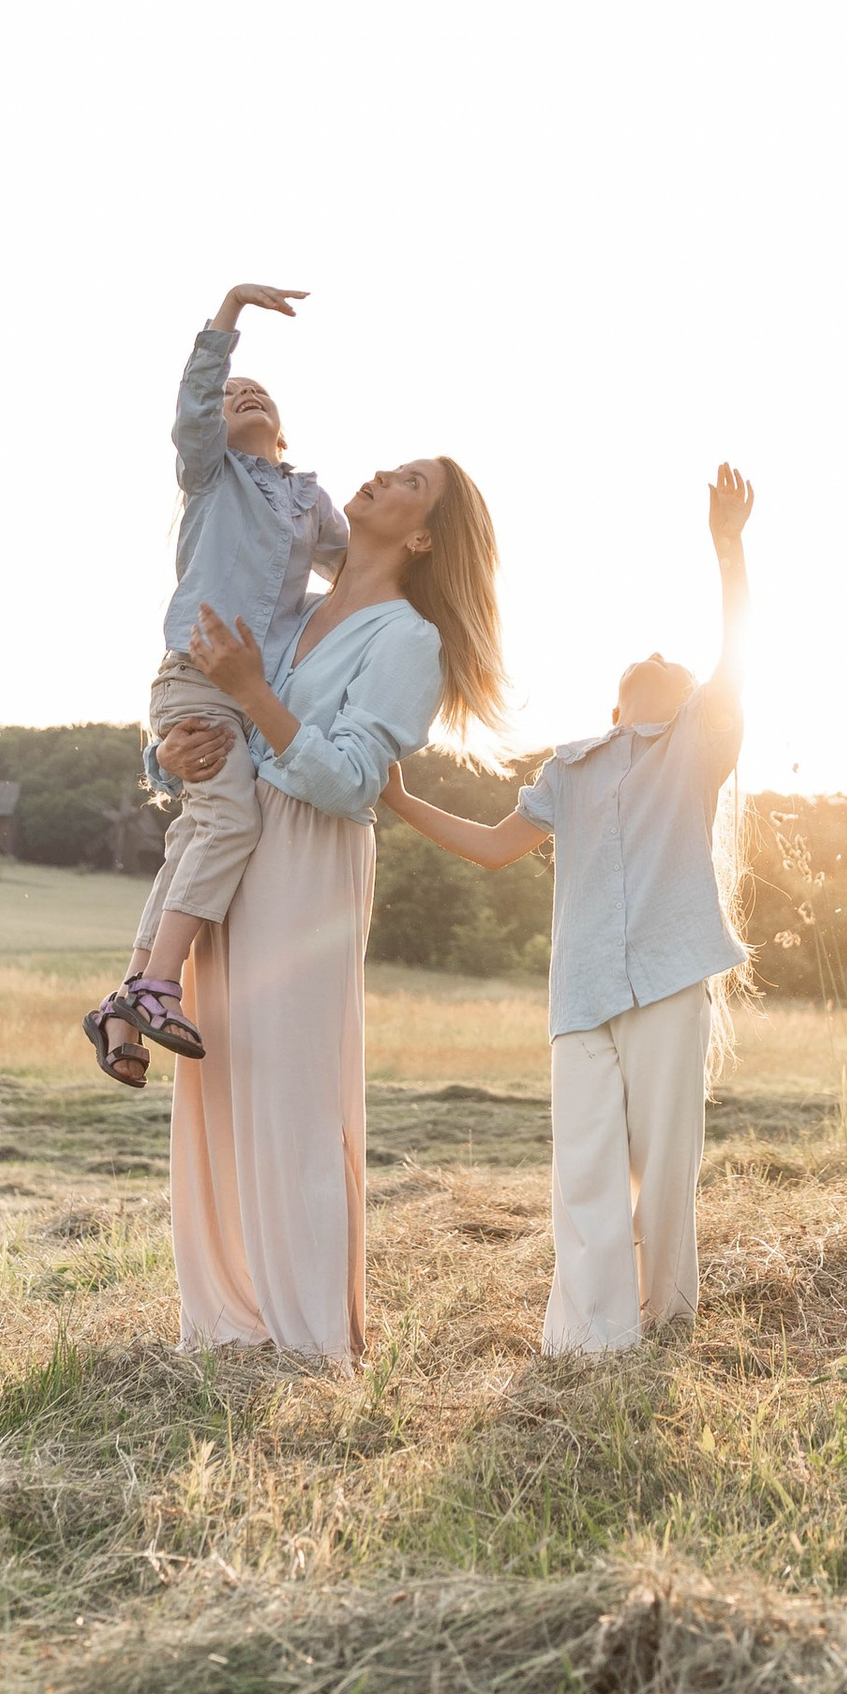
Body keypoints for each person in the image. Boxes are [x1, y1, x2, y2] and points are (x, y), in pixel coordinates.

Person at [385, 464, 752, 1357]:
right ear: (615, 703)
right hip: (583, 991)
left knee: (665, 1167)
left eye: (676, 660)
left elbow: (735, 662)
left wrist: (728, 549)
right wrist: (399, 801)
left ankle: (665, 1319)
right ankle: (593, 1337)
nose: (664, 654)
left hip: (669, 979)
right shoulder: (570, 769)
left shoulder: (697, 746)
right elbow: (491, 845)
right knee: (586, 1165)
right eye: (646, 664)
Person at [161, 451, 503, 1364]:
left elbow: (352, 782)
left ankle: (312, 1337)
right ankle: (231, 1323)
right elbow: (223, 723)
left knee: (293, 1093)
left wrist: (249, 693)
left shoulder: (409, 639)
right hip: (236, 851)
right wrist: (174, 755)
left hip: (309, 863)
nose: (382, 477)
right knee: (221, 1077)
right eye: (390, 468)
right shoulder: (297, 613)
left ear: (423, 536)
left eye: (409, 484)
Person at [83, 283, 350, 1087]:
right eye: (232, 395)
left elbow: (361, 569)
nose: (244, 394)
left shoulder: (309, 499)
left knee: (195, 836)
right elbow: (195, 405)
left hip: (252, 693)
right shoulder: (211, 476)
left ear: (283, 426)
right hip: (197, 679)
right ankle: (159, 984)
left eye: (257, 391)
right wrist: (229, 314)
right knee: (229, 820)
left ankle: (125, 1000)